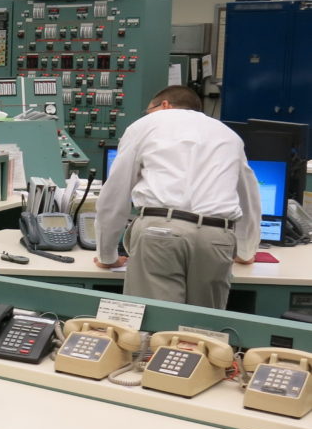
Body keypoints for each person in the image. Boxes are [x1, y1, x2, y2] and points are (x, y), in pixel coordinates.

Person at [93, 85, 260, 309]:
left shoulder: (146, 125)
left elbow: (116, 193)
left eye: (148, 110)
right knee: (202, 330)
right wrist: (247, 249)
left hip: (160, 231)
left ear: (164, 105)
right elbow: (248, 196)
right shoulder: (228, 135)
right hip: (216, 236)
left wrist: (107, 255)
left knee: (156, 324)